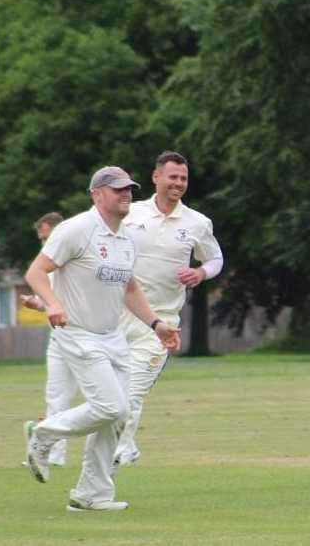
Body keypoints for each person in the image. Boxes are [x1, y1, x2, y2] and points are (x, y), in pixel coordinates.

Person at [22, 166, 181, 512]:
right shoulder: (76, 229)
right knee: (111, 407)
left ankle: (91, 494)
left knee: (118, 417)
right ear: (97, 194)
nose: (126, 195)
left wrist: (156, 324)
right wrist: (52, 304)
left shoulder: (125, 238)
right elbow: (35, 272)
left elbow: (130, 288)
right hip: (78, 333)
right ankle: (44, 433)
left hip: (114, 336)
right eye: (117, 190)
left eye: (128, 190)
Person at [113, 152, 223, 468]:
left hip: (162, 322)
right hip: (118, 315)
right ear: (156, 177)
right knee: (112, 393)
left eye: (183, 179)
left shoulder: (197, 223)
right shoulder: (130, 213)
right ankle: (126, 445)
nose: (178, 183)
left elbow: (216, 259)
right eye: (172, 177)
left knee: (132, 390)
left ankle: (121, 449)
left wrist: (201, 273)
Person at [21, 211, 76, 467]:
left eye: (44, 237)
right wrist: (38, 303)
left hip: (85, 336)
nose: (43, 243)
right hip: (59, 336)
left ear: (49, 229)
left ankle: (119, 450)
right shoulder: (50, 260)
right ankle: (53, 455)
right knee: (56, 396)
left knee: (105, 403)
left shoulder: (70, 252)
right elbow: (54, 300)